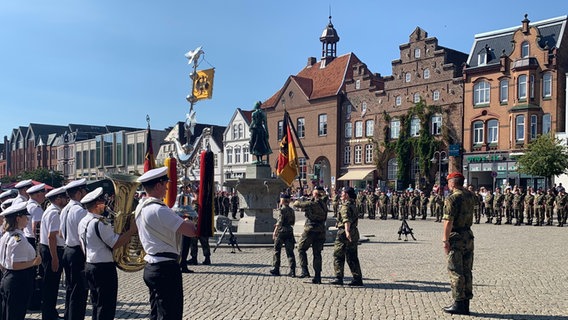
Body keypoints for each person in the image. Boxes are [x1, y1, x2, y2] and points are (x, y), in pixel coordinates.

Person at [135, 167, 198, 320]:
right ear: (157, 186)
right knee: (170, 315)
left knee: (156, 314)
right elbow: (191, 231)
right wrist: (189, 220)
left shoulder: (140, 207)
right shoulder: (159, 209)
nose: (167, 188)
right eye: (165, 184)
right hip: (165, 268)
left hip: (152, 265)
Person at [78, 187, 137, 320]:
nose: (105, 204)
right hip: (103, 268)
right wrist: (131, 230)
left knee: (96, 303)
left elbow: (82, 244)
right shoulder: (100, 223)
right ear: (97, 204)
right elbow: (115, 243)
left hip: (89, 264)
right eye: (103, 202)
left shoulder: (83, 221)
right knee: (106, 306)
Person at [0, 202, 42, 320]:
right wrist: (34, 262)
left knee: (6, 313)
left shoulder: (7, 235)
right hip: (18, 280)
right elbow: (16, 264)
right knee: (16, 314)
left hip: (8, 277)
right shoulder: (18, 240)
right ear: (18, 218)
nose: (28, 220)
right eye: (25, 217)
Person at [442, 172, 475, 315]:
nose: (448, 185)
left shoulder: (453, 198)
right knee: (467, 270)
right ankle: (466, 302)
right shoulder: (470, 195)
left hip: (456, 237)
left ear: (453, 183)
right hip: (468, 235)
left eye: (449, 182)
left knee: (455, 271)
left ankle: (458, 303)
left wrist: (445, 239)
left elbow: (448, 221)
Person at [60, 179, 89, 320]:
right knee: (79, 292)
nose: (86, 194)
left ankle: (68, 316)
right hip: (77, 252)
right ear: (79, 193)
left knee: (71, 290)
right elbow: (84, 237)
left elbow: (60, 233)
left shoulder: (65, 209)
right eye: (84, 191)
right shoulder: (80, 211)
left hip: (67, 249)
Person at [40, 186, 68, 320]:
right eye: (64, 198)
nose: (66, 200)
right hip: (52, 250)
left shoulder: (51, 210)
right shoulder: (55, 213)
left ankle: (50, 312)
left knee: (50, 283)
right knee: (51, 284)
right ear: (58, 199)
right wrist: (55, 258)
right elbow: (52, 237)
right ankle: (49, 314)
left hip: (49, 249)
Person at [292, 186, 328, 284]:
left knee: (301, 248)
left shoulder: (313, 203)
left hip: (311, 229)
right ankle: (317, 276)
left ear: (315, 194)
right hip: (321, 231)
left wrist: (300, 199)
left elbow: (297, 204)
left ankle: (304, 270)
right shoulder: (324, 203)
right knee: (317, 253)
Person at [330, 187, 363, 286]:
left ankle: (338, 277)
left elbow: (346, 220)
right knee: (352, 256)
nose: (341, 194)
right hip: (354, 231)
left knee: (338, 255)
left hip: (344, 233)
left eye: (343, 193)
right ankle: (357, 278)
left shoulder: (345, 206)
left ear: (347, 195)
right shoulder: (353, 205)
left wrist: (347, 231)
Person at [269, 193, 296, 277]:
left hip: (281, 231)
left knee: (277, 250)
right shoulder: (292, 210)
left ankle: (276, 269)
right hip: (289, 231)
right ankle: (292, 270)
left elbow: (280, 221)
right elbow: (293, 222)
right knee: (290, 251)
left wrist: (275, 231)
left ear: (282, 201)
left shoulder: (282, 210)